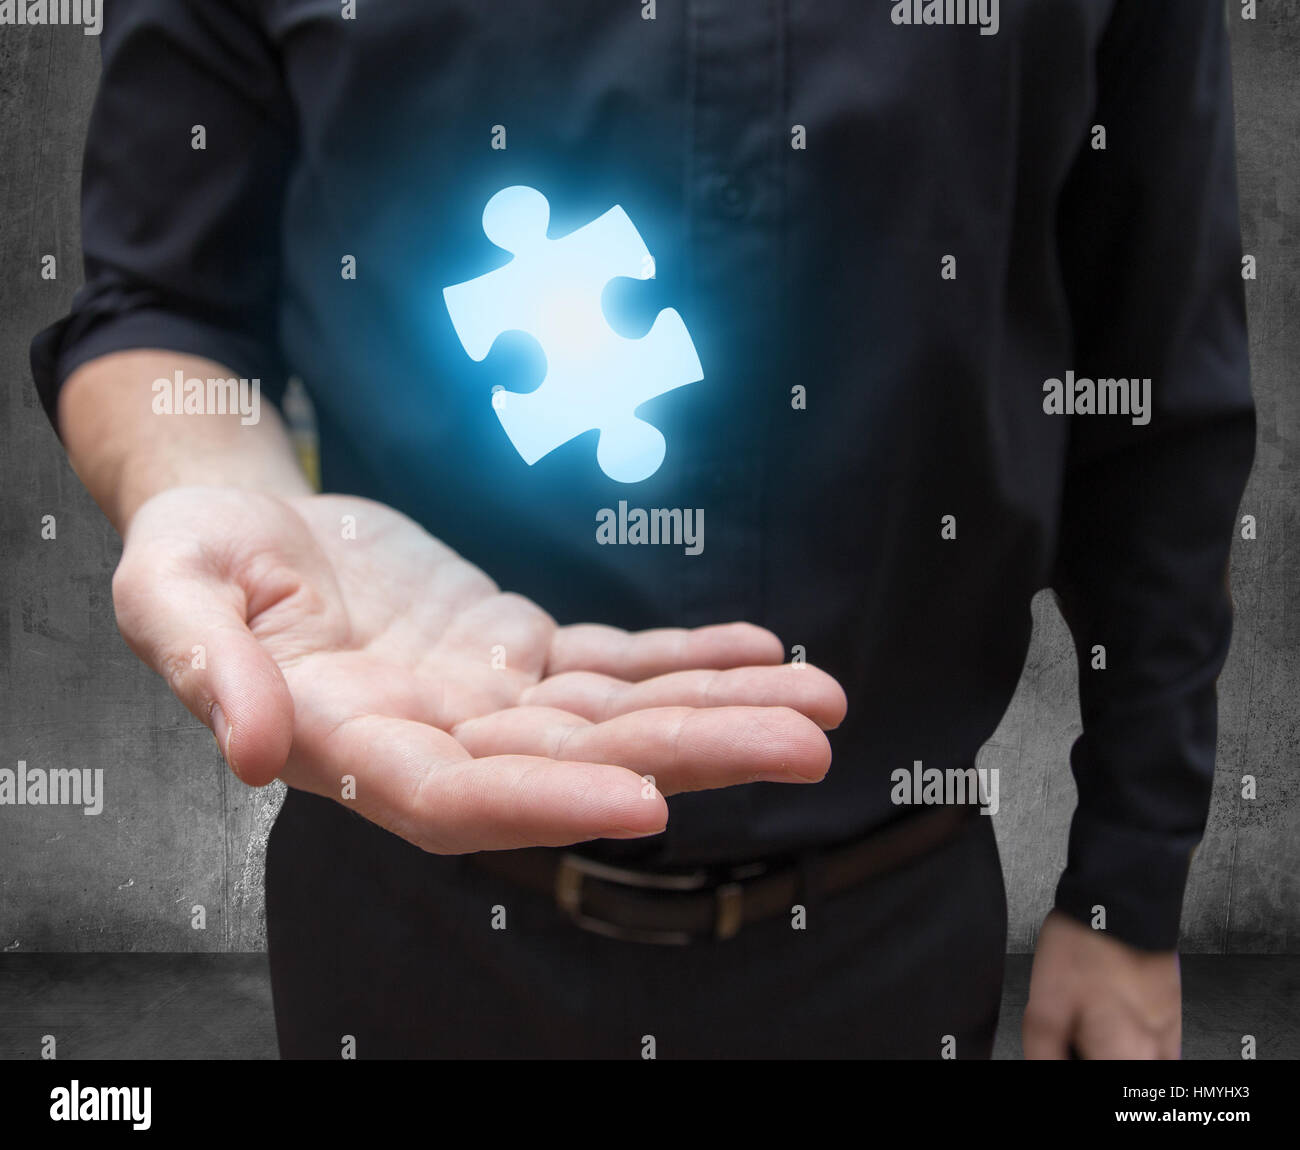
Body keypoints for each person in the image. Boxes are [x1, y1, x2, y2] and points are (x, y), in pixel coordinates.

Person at [31, 0, 1255, 1059]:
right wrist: (194, 474)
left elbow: (1155, 405)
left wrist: (1126, 895)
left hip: (886, 940)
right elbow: (159, 303)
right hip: (404, 915)